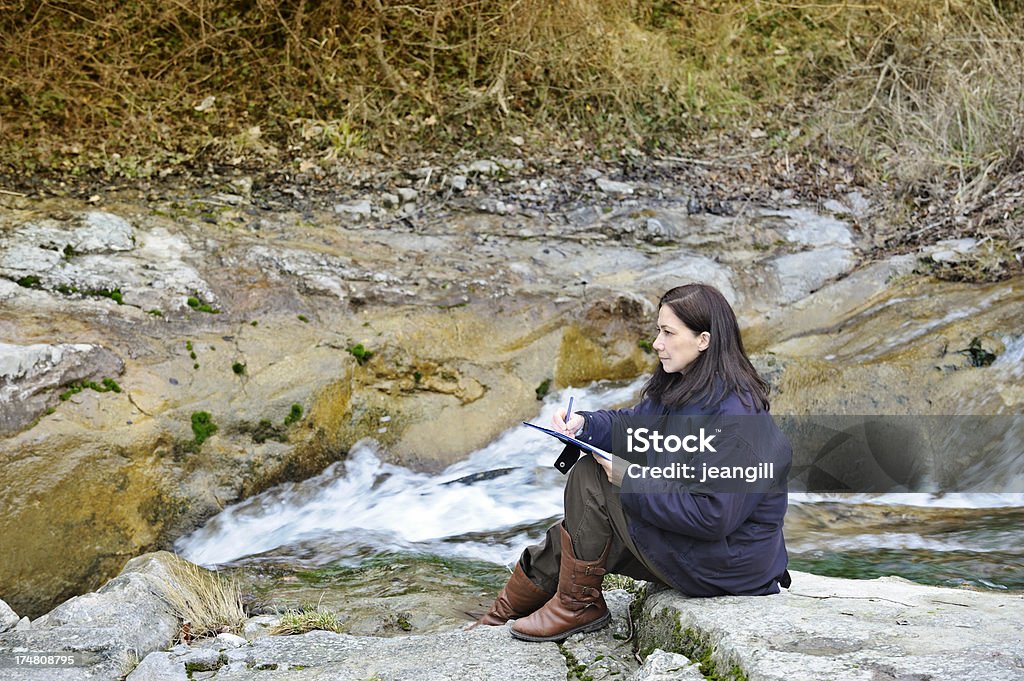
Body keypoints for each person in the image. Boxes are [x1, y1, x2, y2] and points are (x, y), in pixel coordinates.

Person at [475, 283, 791, 642]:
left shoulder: (738, 418)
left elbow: (713, 516)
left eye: (668, 333)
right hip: (699, 549)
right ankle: (496, 619)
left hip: (726, 565)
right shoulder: (682, 387)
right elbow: (633, 427)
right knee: (577, 534)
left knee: (593, 479)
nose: (657, 343)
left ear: (703, 340)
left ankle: (577, 606)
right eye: (659, 330)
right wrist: (585, 424)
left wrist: (631, 478)